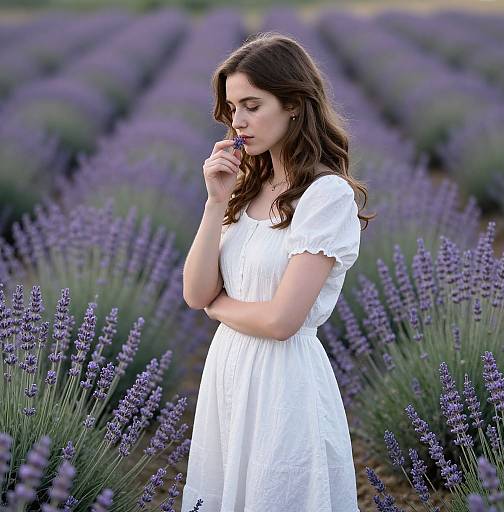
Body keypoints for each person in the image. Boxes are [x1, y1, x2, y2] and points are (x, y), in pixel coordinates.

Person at [181, 32, 375, 512]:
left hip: (282, 383)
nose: (238, 122)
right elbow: (194, 291)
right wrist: (215, 202)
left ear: (293, 104)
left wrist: (218, 307)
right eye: (231, 108)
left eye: (252, 105)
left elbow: (282, 321)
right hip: (227, 372)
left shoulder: (326, 197)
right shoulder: (247, 185)